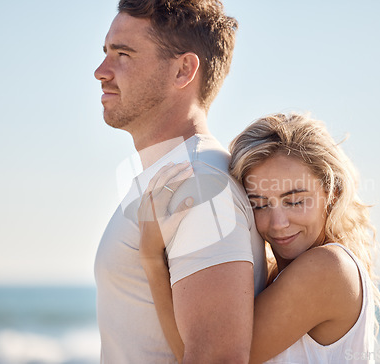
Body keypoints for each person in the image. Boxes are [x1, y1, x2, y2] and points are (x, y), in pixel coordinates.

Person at [93, 0, 267, 363]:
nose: (101, 71)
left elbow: (217, 359)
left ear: (183, 70)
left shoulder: (200, 186)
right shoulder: (173, 174)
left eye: (123, 54)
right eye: (106, 52)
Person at [140, 112, 380, 363]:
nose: (278, 223)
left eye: (295, 201)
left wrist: (151, 259)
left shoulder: (329, 268)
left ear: (332, 193)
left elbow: (208, 357)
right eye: (259, 205)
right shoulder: (273, 277)